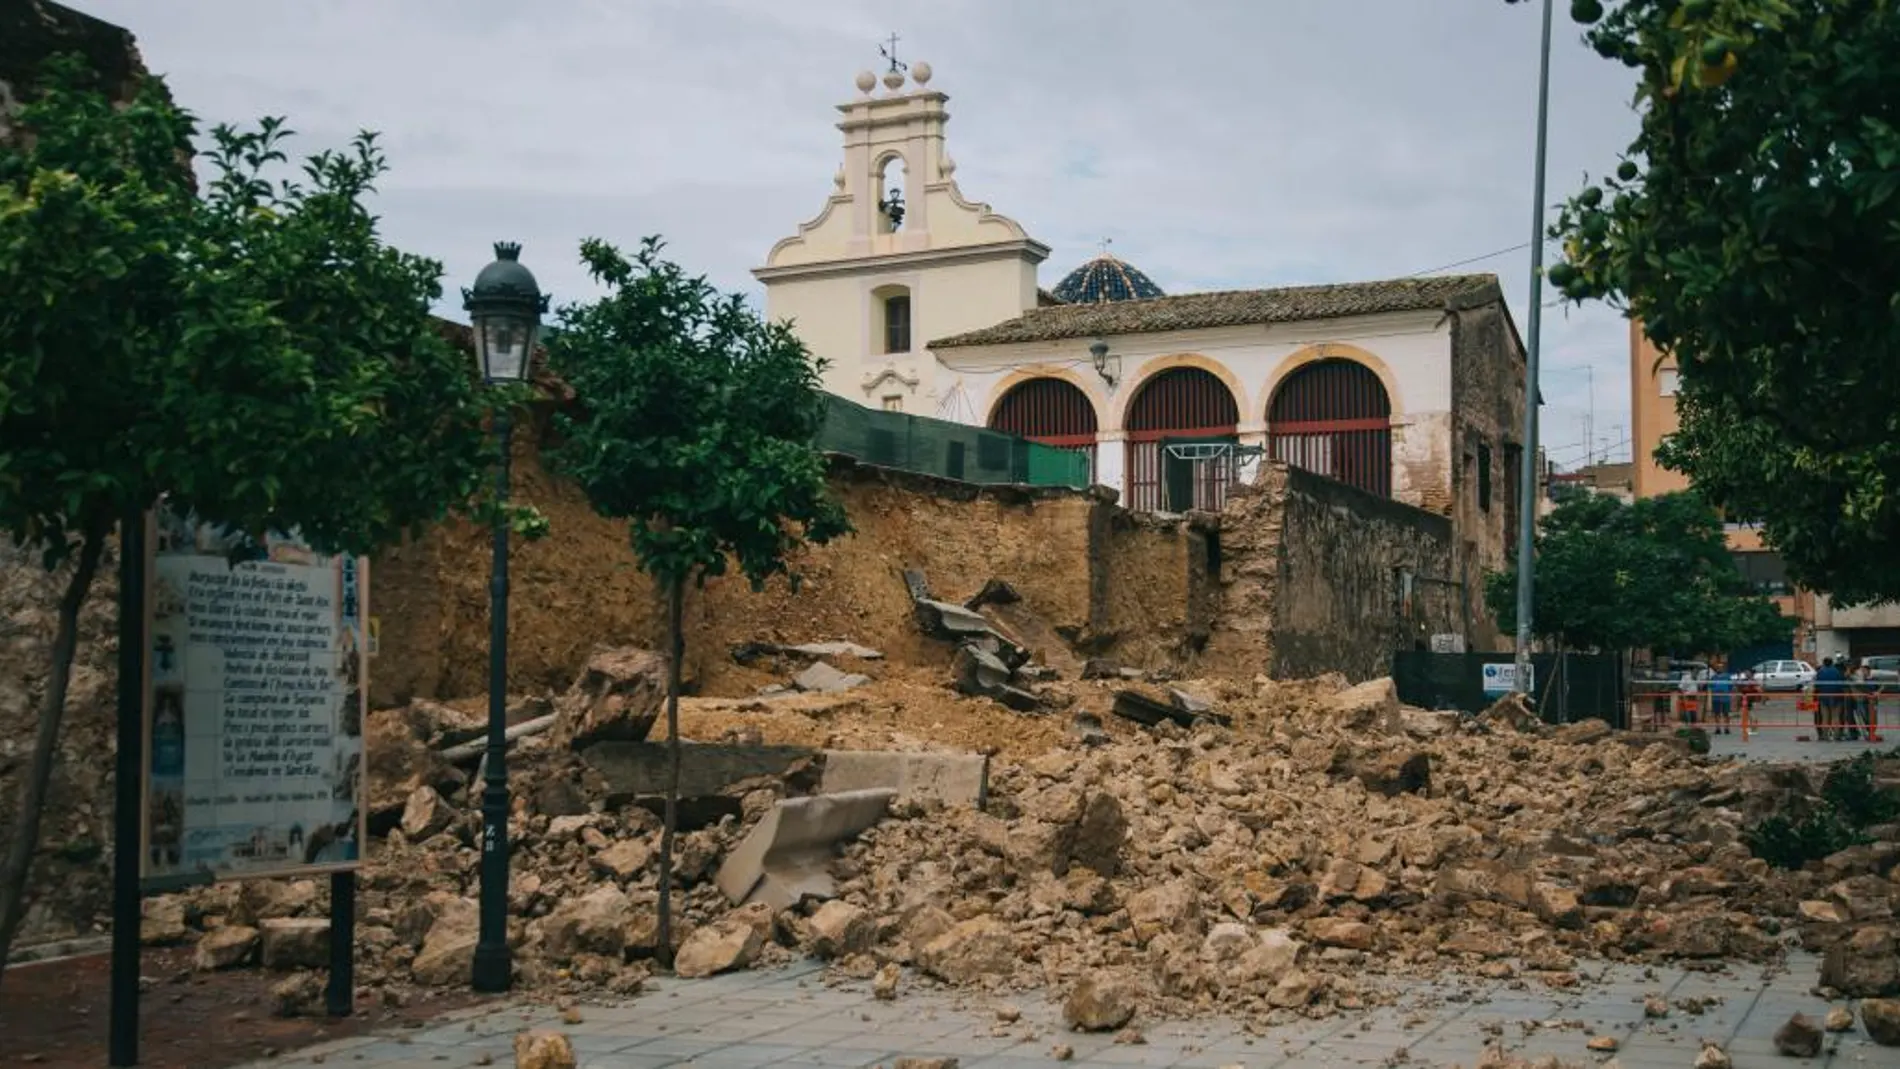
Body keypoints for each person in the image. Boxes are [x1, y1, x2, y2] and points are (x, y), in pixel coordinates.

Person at [1815, 657, 1847, 741]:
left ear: (1823, 663)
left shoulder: (1820, 672)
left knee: (1825, 717)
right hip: (1837, 697)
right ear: (1832, 663)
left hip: (1823, 697)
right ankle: (1837, 736)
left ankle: (1825, 736)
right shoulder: (1837, 672)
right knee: (1836, 717)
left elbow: (1817, 686)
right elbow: (1843, 684)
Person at [1706, 663, 1733, 735]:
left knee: (1726, 713)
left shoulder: (1727, 677)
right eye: (1718, 667)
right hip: (1716, 698)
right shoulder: (1713, 677)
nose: (1719, 669)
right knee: (1717, 713)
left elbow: (1730, 686)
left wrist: (1726, 692)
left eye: (1721, 668)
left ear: (1723, 669)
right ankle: (1718, 728)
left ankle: (1727, 728)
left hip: (1725, 698)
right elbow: (1711, 686)